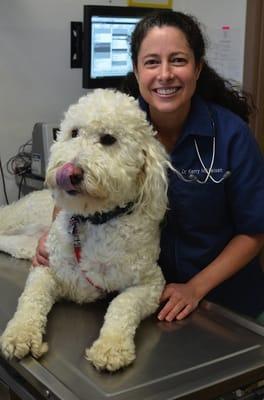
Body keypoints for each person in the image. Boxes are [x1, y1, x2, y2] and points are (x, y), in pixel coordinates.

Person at [33, 10, 264, 324]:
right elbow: (74, 183)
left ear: (197, 68)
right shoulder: (116, 125)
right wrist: (53, 240)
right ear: (137, 70)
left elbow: (254, 231)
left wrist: (196, 288)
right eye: (152, 61)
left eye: (178, 60)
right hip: (139, 294)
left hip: (222, 304)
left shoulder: (232, 136)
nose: (165, 74)